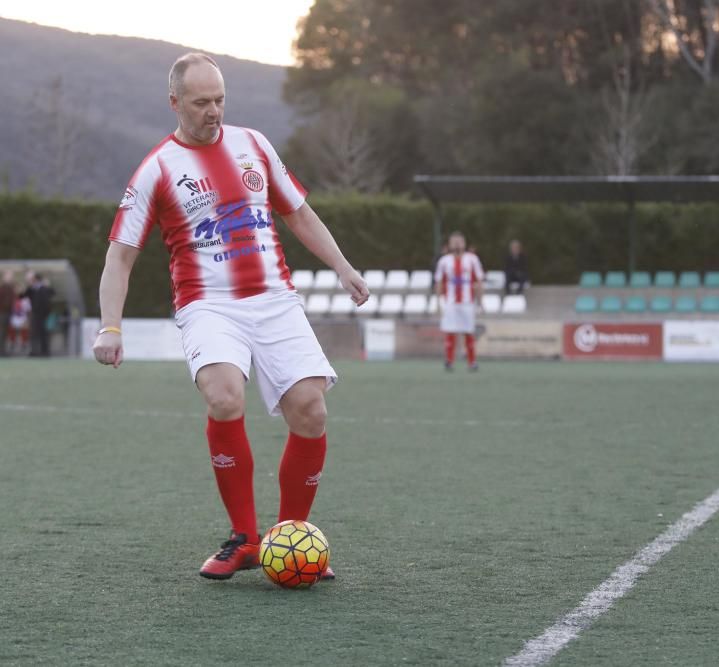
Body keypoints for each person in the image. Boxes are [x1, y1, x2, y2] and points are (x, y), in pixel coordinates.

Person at [92, 53, 369, 580]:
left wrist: (343, 267)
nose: (213, 111)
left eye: (219, 100)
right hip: (207, 304)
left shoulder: (255, 144)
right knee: (223, 396)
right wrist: (110, 326)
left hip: (275, 300)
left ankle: (289, 540)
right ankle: (244, 537)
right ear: (174, 103)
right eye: (201, 103)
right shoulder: (156, 169)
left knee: (311, 409)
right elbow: (120, 256)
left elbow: (300, 213)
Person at [434, 231, 484, 371]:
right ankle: (449, 361)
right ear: (449, 244)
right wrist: (437, 302)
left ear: (464, 243)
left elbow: (479, 280)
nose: (456, 244)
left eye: (459, 241)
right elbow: (438, 282)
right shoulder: (444, 261)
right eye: (454, 241)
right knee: (450, 331)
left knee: (468, 331)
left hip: (467, 303)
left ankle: (472, 362)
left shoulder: (472, 259)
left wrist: (481, 301)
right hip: (450, 302)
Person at [21, 272, 54, 357]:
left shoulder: (44, 289)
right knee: (34, 333)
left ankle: (45, 352)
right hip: (35, 314)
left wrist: (46, 313)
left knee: (43, 333)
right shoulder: (32, 289)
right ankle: (34, 351)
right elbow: (22, 295)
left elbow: (50, 297)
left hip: (42, 315)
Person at [0, 271, 16, 356]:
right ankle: (1, 351)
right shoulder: (2, 288)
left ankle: (3, 350)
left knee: (5, 332)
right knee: (2, 332)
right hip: (3, 313)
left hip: (8, 312)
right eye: (9, 277)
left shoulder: (11, 288)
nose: (10, 278)